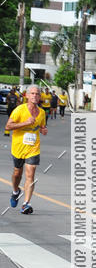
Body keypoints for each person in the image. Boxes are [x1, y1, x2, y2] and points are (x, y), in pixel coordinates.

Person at [6, 83, 47, 214]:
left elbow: (41, 126)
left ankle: (26, 203)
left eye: (37, 94)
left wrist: (43, 129)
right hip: (18, 147)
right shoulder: (19, 110)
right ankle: (15, 191)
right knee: (17, 174)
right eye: (33, 94)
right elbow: (8, 126)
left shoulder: (41, 113)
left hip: (33, 148)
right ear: (27, 96)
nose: (35, 96)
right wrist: (25, 123)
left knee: (31, 174)